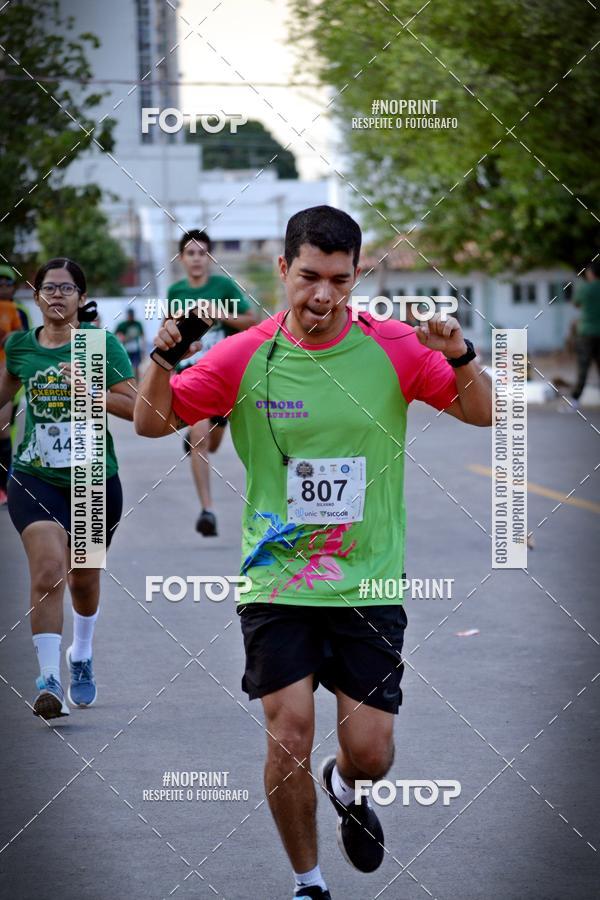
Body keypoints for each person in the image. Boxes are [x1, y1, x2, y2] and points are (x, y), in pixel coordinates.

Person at [135, 206, 492, 900]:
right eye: (308, 277)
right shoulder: (245, 355)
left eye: (338, 279)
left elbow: (484, 412)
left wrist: (461, 357)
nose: (322, 295)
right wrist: (158, 358)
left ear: (357, 276)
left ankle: (348, 784)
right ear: (282, 271)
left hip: (368, 582)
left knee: (371, 754)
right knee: (288, 733)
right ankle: (309, 884)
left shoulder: (393, 347)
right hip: (277, 580)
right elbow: (154, 421)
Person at [0, 258, 136, 720]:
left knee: (83, 580)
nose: (56, 294)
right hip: (35, 476)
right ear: (35, 297)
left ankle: (80, 652)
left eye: (67, 288)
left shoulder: (100, 346)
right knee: (48, 572)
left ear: (81, 297)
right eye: (48, 287)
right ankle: (48, 680)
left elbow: (139, 408)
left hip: (92, 479)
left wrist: (93, 394)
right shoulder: (18, 347)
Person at [168, 229, 255, 536]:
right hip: (193, 376)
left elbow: (252, 321)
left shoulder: (223, 287)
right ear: (181, 259)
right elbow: (169, 332)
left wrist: (220, 314)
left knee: (212, 442)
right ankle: (208, 510)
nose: (196, 258)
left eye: (202, 253)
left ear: (210, 258)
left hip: (224, 376)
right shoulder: (175, 292)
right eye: (190, 253)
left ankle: (198, 438)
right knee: (200, 439)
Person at [0, 263, 23, 505]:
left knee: (4, 431)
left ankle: (5, 484)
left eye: (8, 283)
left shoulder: (17, 310)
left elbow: (24, 336)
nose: (4, 287)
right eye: (1, 283)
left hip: (7, 372)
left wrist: (11, 337)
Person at [568, 260, 600, 410]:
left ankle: (575, 400)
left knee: (583, 367)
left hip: (586, 331)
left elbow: (576, 303)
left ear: (591, 273)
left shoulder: (585, 288)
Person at [115, 307, 146, 380]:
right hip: (126, 349)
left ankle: (137, 383)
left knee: (136, 367)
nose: (131, 317)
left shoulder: (138, 324)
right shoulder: (122, 325)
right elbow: (117, 335)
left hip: (135, 349)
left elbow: (143, 336)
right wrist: (124, 338)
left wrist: (143, 349)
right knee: (128, 367)